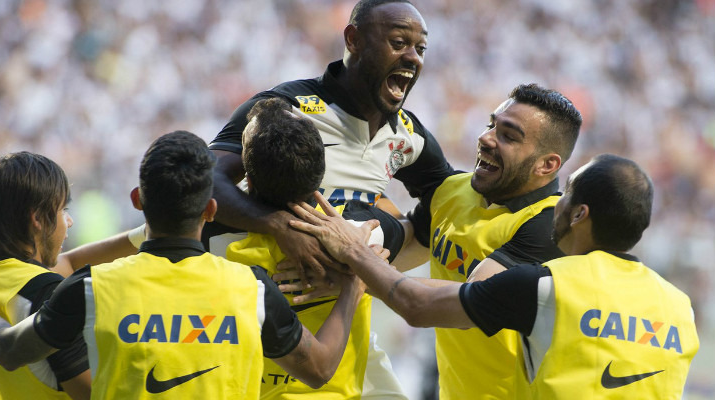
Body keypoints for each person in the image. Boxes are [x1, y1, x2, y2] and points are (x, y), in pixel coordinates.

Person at [0, 131, 366, 400]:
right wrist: (354, 285)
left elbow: (6, 348)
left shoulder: (90, 289)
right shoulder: (251, 289)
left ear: (137, 200)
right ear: (211, 210)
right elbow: (319, 368)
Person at [288, 153, 700, 399]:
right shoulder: (680, 308)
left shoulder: (549, 286)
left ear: (580, 214)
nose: (557, 202)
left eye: (567, 193)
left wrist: (354, 252)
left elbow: (415, 303)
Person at [207, 1, 453, 398]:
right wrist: (278, 226)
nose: (412, 57)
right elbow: (207, 178)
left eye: (420, 48)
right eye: (398, 42)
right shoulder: (286, 110)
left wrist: (364, 260)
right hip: (257, 322)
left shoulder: (408, 135)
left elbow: (445, 204)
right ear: (353, 40)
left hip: (343, 331)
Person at [203, 97, 407, 399]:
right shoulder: (367, 233)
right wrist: (353, 275)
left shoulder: (210, 235)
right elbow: (414, 233)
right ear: (319, 174)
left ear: (247, 177)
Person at [396, 83, 581, 398]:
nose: (485, 138)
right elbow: (404, 252)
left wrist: (358, 259)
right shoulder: (454, 192)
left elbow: (466, 303)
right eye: (491, 124)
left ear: (547, 165)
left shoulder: (551, 226)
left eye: (508, 136)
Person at [0, 152, 91, 400]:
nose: (70, 221)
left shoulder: (3, 278)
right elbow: (96, 393)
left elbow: (71, 262)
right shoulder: (49, 293)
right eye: (63, 209)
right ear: (37, 219)